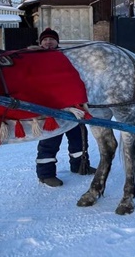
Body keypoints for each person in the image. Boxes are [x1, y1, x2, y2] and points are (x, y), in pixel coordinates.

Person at [35, 28, 96, 187]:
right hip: (50, 108)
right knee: (49, 141)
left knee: (79, 139)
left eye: (52, 39)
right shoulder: (34, 58)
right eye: (45, 39)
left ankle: (80, 165)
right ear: (40, 43)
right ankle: (46, 174)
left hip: (73, 105)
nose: (49, 42)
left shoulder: (66, 57)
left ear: (57, 42)